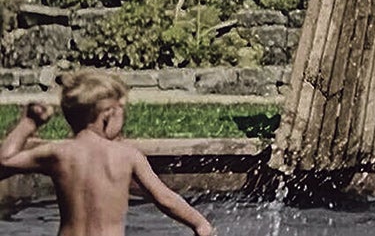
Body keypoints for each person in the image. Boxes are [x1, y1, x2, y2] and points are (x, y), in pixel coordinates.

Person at [0, 70, 214, 236]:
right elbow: (165, 198)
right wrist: (199, 223)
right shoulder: (127, 156)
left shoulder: (60, 153)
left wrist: (29, 123)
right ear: (107, 115)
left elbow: (6, 159)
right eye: (122, 111)